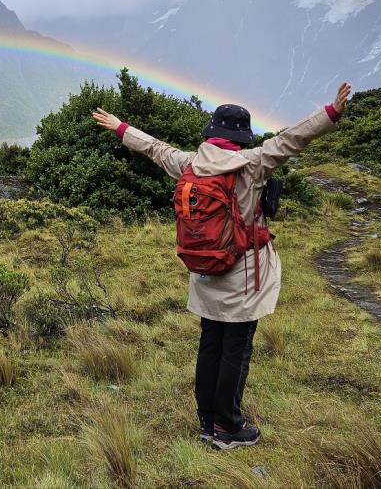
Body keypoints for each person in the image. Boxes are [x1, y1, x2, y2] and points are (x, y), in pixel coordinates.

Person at [91, 82, 351, 450]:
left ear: (212, 132)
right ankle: (228, 427)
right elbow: (292, 138)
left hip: (203, 274)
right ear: (241, 137)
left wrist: (120, 127)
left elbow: (154, 148)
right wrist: (332, 113)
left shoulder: (189, 163)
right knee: (236, 350)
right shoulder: (253, 164)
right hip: (241, 276)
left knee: (210, 344)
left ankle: (207, 421)